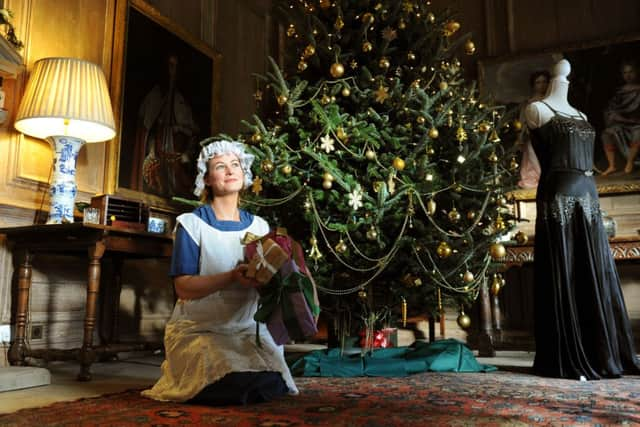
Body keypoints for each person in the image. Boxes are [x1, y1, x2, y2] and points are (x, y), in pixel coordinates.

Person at [142, 140, 298, 405]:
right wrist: (230, 277)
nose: (230, 170)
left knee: (274, 379)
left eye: (235, 164)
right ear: (207, 179)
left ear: (245, 174)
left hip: (249, 329)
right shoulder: (191, 225)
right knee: (224, 375)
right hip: (201, 329)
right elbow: (184, 288)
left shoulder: (260, 226)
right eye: (220, 166)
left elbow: (269, 282)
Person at [523, 59, 640, 380]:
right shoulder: (536, 111)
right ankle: (569, 351)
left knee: (593, 268)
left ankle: (601, 349)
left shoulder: (583, 115)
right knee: (566, 267)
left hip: (589, 194)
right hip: (559, 193)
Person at [131, 53, 200, 198]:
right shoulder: (155, 96)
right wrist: (151, 150)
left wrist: (186, 152)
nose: (172, 71)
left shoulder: (181, 101)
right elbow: (147, 127)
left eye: (175, 66)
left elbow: (192, 131)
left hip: (175, 153)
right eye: (169, 66)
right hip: (158, 149)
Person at [601, 60, 640, 176]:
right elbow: (611, 111)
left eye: (631, 72)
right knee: (606, 134)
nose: (628, 75)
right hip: (624, 123)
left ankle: (630, 161)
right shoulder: (620, 92)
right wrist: (621, 119)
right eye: (625, 73)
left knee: (638, 132)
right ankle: (612, 165)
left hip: (638, 124)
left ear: (637, 72)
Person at [518, 70, 551, 188]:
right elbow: (523, 121)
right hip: (533, 134)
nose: (542, 85)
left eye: (544, 82)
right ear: (533, 85)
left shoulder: (551, 100)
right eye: (538, 82)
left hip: (550, 134)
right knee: (533, 155)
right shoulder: (528, 103)